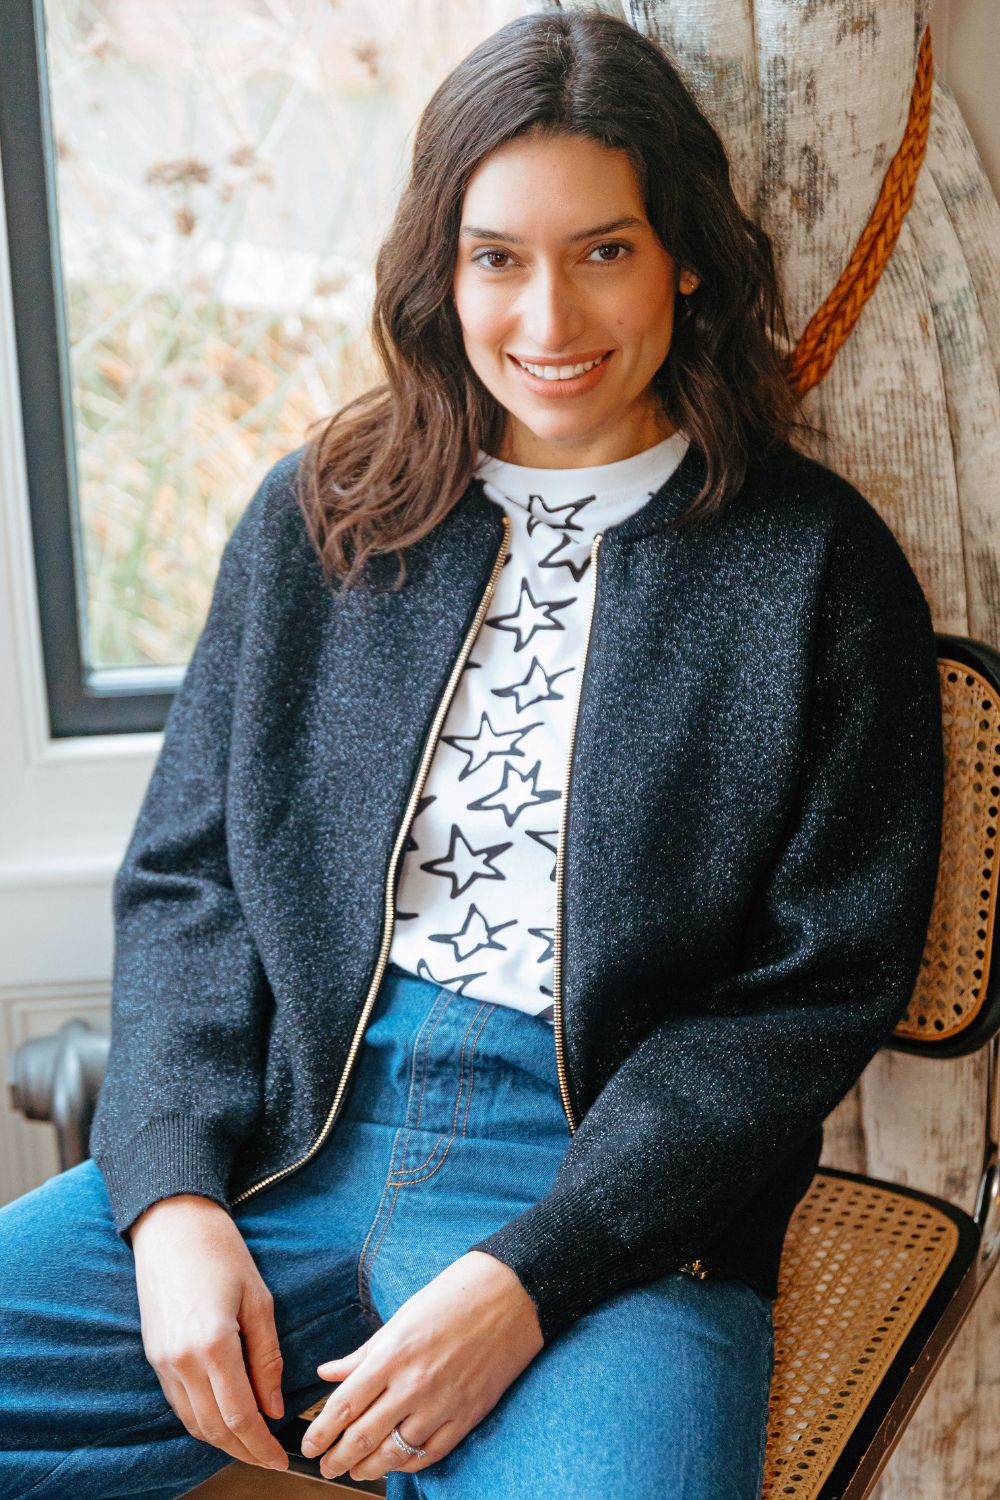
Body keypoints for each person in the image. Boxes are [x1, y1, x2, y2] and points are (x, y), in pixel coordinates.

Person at [0, 10, 944, 1500]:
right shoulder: (323, 518)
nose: (550, 318)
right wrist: (171, 1200)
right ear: (442, 271)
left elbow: (812, 994)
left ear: (686, 254)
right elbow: (188, 883)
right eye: (498, 255)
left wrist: (536, 1274)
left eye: (605, 250)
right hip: (284, 1135)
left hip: (613, 1193)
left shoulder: (817, 573)